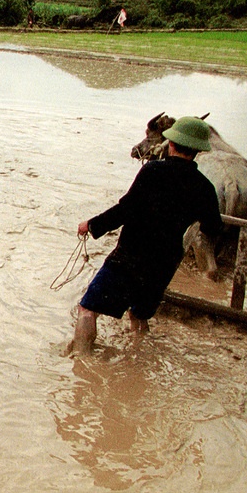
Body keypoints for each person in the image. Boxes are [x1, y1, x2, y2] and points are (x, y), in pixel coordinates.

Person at [67, 116, 222, 356]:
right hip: (165, 264)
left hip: (131, 256)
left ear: (171, 144)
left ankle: (82, 363)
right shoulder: (205, 187)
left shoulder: (153, 171)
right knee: (139, 315)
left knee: (87, 309)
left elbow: (126, 210)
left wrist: (92, 225)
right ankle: (137, 364)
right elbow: (213, 227)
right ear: (198, 152)